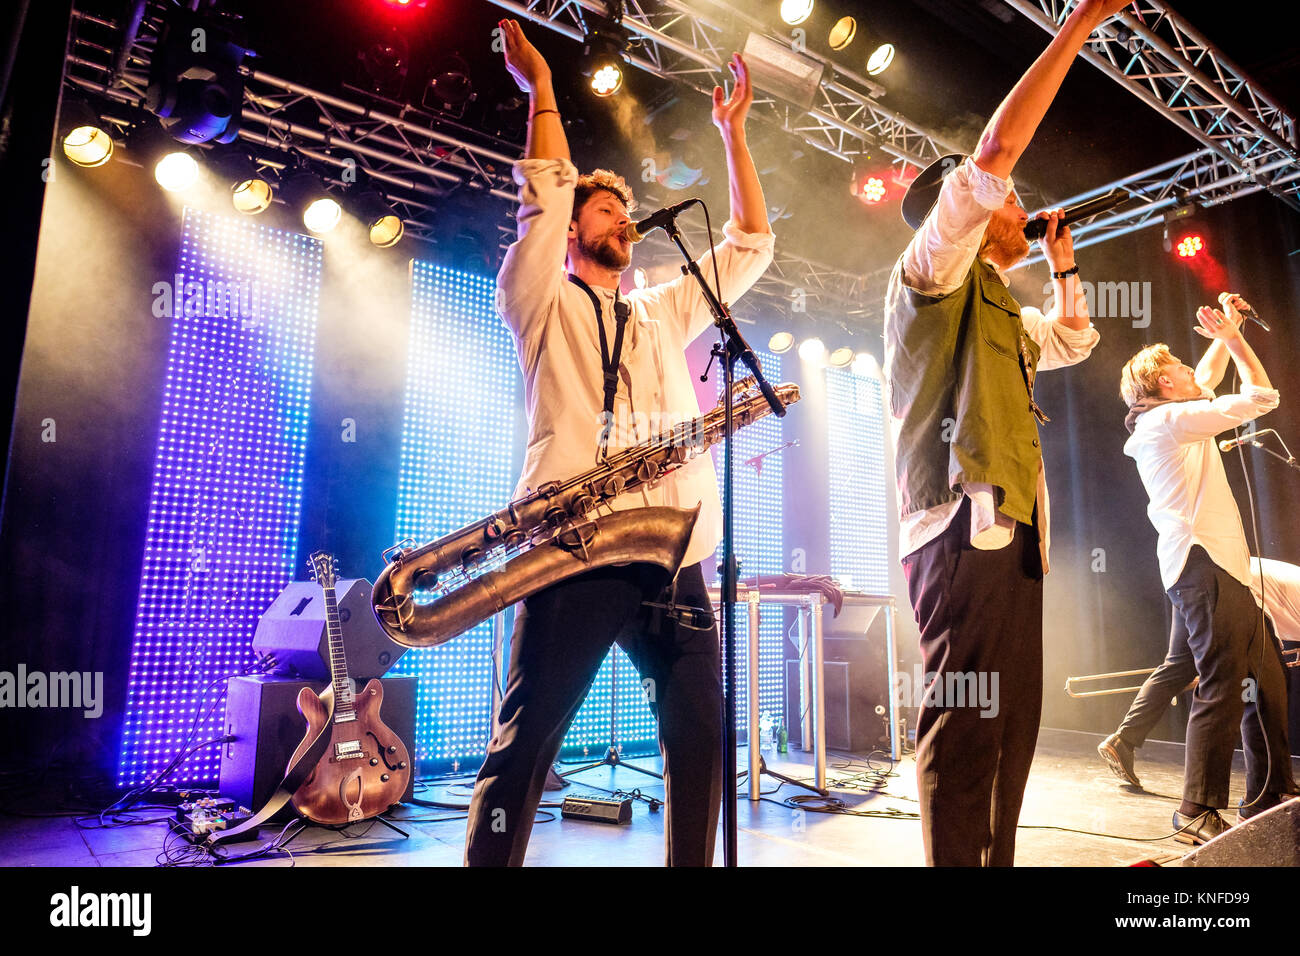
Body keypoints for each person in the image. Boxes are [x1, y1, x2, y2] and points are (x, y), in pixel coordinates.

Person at [463, 19, 774, 866]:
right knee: (526, 748)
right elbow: (545, 186)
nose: (623, 217)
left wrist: (734, 134)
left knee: (701, 741)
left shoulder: (662, 307)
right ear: (571, 230)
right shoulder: (538, 298)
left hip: (672, 553)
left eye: (626, 210)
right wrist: (545, 94)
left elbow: (752, 242)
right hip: (576, 545)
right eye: (605, 208)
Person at [883, 0, 1127, 866]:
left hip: (1017, 530)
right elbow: (992, 157)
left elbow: (1074, 339)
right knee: (965, 719)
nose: (1020, 208)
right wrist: (1079, 26)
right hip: (959, 525)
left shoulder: (1005, 308)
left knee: (1013, 722)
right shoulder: (928, 273)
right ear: (964, 212)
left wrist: (1062, 265)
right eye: (1011, 202)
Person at [1111, 303, 1297, 843]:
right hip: (1205, 565)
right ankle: (1195, 807)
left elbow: (1207, 378)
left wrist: (1223, 334)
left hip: (1221, 569)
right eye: (1182, 369)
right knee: (1222, 685)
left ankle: (1271, 789)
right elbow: (1263, 397)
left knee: (1268, 682)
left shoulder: (1165, 415)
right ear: (1164, 383)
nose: (1197, 372)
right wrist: (1235, 339)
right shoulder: (1169, 421)